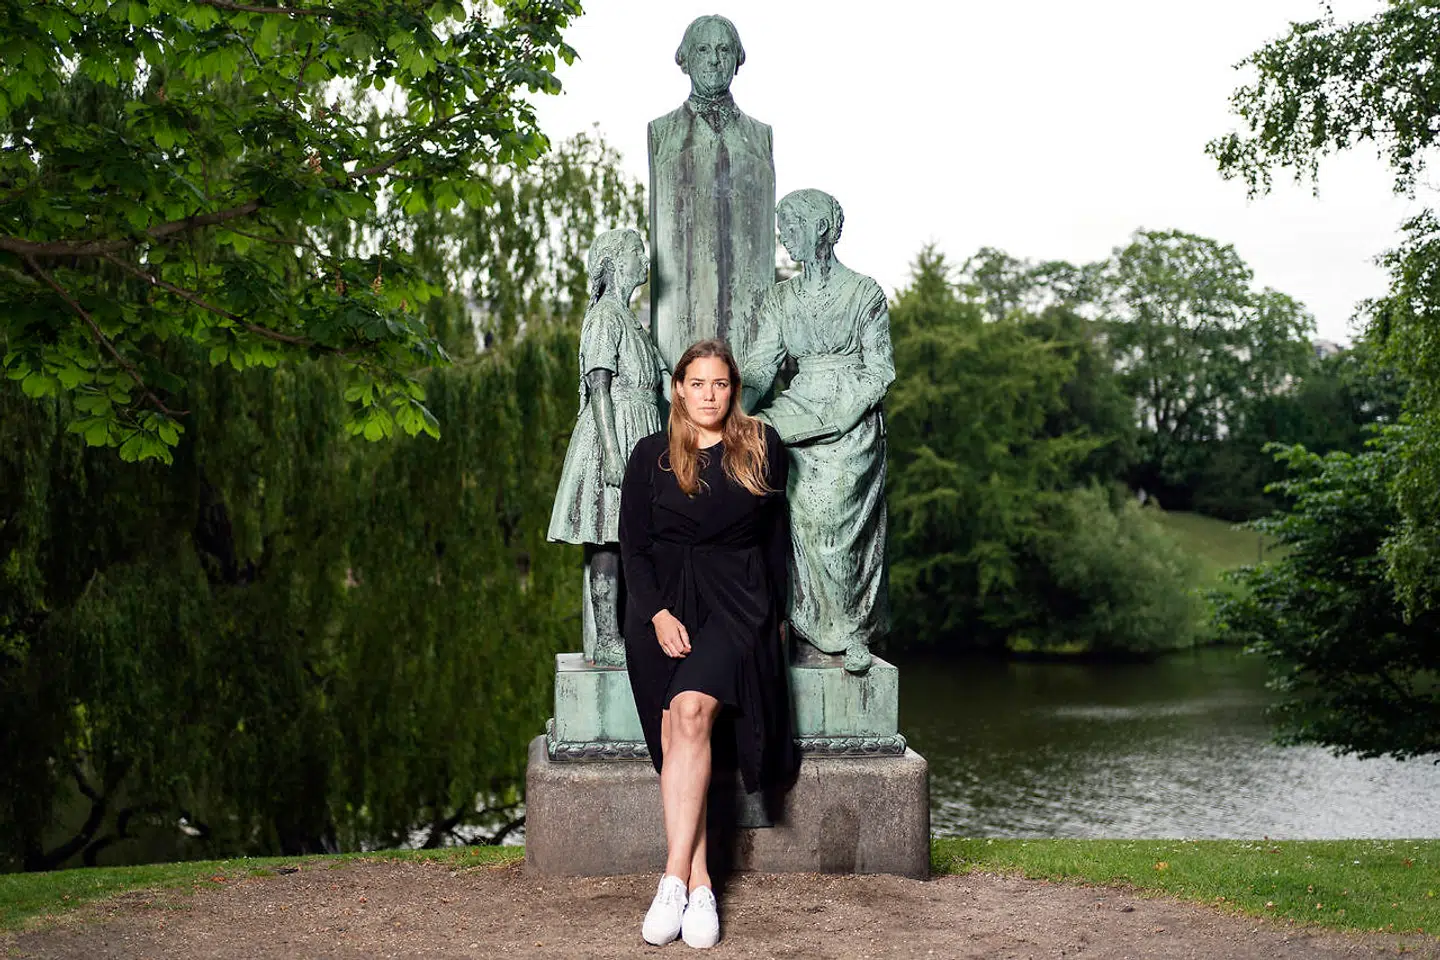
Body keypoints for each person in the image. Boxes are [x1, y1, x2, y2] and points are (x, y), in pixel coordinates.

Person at [619, 338, 795, 948]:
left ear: (733, 389)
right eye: (698, 383)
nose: (709, 395)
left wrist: (775, 619)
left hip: (736, 603)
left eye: (720, 384)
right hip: (663, 606)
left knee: (691, 710)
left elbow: (777, 538)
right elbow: (634, 552)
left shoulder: (761, 447)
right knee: (673, 731)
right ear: (678, 388)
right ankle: (698, 886)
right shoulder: (649, 456)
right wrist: (659, 615)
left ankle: (669, 878)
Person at [742, 189, 895, 675]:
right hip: (798, 403)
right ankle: (792, 624)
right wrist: (727, 411)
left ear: (823, 229)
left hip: (849, 421)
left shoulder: (864, 293)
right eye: (781, 226)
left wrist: (838, 417)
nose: (784, 236)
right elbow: (761, 368)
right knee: (785, 512)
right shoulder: (781, 298)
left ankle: (849, 631)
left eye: (792, 226)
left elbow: (880, 371)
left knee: (833, 522)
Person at [547, 229, 665, 664]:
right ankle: (609, 637)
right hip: (613, 433)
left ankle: (635, 628)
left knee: (632, 537)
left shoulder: (630, 319)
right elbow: (599, 386)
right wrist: (614, 455)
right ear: (615, 262)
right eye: (638, 253)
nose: (645, 262)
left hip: (640, 429)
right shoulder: (606, 318)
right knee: (608, 537)